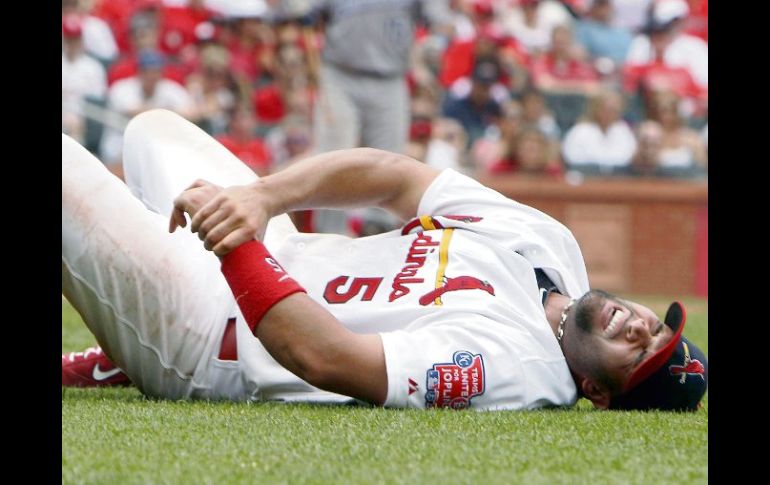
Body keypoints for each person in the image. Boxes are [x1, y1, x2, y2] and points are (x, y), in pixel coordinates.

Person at [62, 110, 707, 411]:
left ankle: (140, 346)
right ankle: (122, 344)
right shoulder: (551, 246)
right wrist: (260, 199)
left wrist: (235, 244)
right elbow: (393, 178)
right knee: (150, 130)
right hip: (273, 247)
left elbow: (330, 359)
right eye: (657, 326)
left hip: (213, 334)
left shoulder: (521, 372)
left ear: (597, 392)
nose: (639, 326)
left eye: (640, 354)